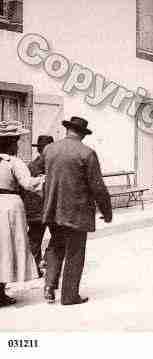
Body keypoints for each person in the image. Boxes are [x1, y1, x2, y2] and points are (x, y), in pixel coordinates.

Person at [41, 116, 112, 305]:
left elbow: (38, 173)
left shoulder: (49, 149)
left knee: (56, 247)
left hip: (52, 209)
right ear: (82, 134)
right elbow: (97, 186)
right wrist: (107, 211)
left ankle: (49, 286)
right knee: (75, 252)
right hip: (76, 212)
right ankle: (69, 296)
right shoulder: (87, 153)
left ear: (67, 130)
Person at [0, 121, 43, 307]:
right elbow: (28, 184)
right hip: (9, 205)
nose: (16, 146)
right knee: (7, 247)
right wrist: (44, 179)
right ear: (10, 143)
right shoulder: (13, 162)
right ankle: (0, 293)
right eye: (15, 142)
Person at [23, 135, 54, 278]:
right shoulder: (50, 165)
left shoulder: (30, 166)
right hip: (43, 208)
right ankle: (45, 262)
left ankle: (36, 266)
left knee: (35, 239)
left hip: (36, 209)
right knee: (56, 237)